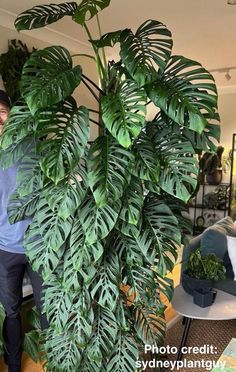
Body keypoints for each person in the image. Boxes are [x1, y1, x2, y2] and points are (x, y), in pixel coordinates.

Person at [0, 90, 47, 372]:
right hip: (5, 248)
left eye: (2, 113)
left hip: (39, 243)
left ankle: (55, 360)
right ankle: (14, 364)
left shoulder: (31, 145)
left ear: (12, 113)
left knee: (47, 309)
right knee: (12, 311)